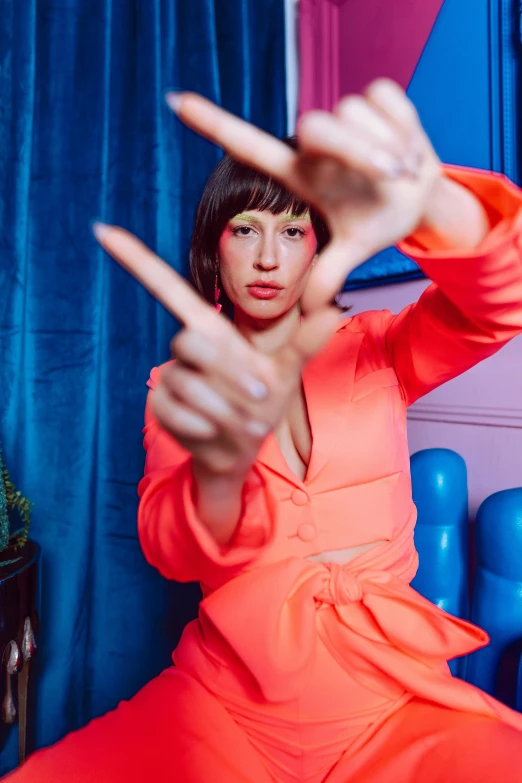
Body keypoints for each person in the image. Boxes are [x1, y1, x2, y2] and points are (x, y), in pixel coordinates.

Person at [8, 79, 522, 782]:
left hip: (395, 707)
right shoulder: (178, 386)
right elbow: (167, 542)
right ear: (214, 253)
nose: (269, 258)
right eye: (245, 229)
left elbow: (498, 306)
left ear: (319, 250)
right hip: (225, 711)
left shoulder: (381, 346)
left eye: (292, 231)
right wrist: (217, 483)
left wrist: (436, 209)